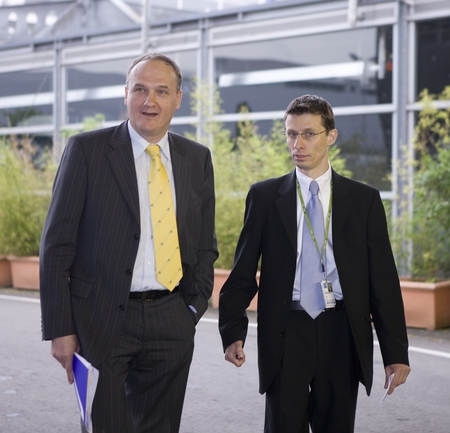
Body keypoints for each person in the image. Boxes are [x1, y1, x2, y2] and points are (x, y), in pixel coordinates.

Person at [40, 52, 218, 433]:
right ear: (126, 94)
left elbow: (204, 243)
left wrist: (191, 308)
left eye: (160, 91)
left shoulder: (197, 158)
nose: (149, 101)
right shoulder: (87, 151)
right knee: (105, 426)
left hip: (172, 318)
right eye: (140, 89)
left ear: (177, 98)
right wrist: (60, 328)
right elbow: (56, 247)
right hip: (99, 323)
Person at [218, 94, 410, 433]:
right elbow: (244, 270)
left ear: (330, 136)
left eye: (309, 133)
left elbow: (382, 280)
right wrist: (232, 331)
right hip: (286, 330)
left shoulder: (363, 199)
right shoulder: (264, 196)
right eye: (291, 134)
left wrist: (396, 351)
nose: (298, 143)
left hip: (343, 331)